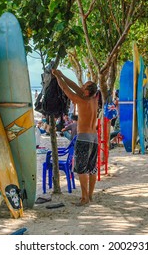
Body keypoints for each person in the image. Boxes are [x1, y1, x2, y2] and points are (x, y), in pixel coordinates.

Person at [52, 68, 99, 206]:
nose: (81, 87)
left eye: (84, 86)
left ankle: (84, 198)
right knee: (92, 168)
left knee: (81, 168)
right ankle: (90, 196)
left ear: (86, 91)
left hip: (83, 137)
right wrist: (62, 75)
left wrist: (58, 78)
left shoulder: (80, 100)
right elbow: (75, 87)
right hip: (94, 137)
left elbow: (66, 89)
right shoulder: (94, 100)